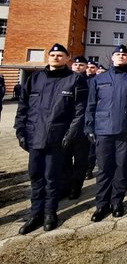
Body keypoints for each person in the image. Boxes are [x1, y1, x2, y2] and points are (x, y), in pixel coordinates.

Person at [14, 43, 88, 234]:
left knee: (52, 177)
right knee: (35, 176)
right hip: (34, 137)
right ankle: (35, 214)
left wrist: (70, 134)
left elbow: (80, 111)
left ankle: (50, 213)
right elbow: (23, 107)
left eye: (60, 55)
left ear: (67, 58)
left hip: (57, 138)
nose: (56, 57)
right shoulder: (35, 79)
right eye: (53, 54)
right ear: (48, 57)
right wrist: (20, 131)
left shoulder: (74, 80)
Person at [85, 45, 127, 222]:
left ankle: (116, 202)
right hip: (103, 131)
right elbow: (90, 106)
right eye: (118, 54)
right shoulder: (99, 79)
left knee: (122, 168)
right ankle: (101, 205)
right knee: (104, 169)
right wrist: (89, 128)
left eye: (124, 55)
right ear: (112, 58)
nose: (121, 56)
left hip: (126, 131)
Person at [61, 55, 91, 199]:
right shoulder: (65, 81)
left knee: (80, 160)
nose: (78, 67)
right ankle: (65, 185)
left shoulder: (92, 82)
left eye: (81, 65)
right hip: (66, 127)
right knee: (64, 158)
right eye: (75, 65)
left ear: (86, 67)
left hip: (83, 129)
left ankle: (76, 186)